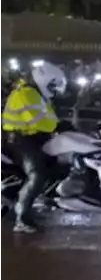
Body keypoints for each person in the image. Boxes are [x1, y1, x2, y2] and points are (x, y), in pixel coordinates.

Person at [2, 63, 66, 233]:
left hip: (33, 137)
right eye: (52, 85)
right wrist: (58, 127)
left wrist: (63, 125)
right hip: (19, 139)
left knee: (55, 162)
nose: (54, 89)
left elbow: (51, 118)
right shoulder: (25, 94)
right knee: (37, 173)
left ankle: (42, 197)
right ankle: (22, 218)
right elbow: (37, 121)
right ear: (43, 80)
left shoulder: (37, 95)